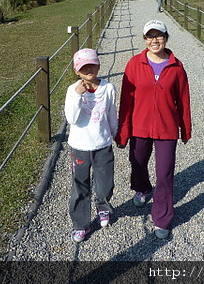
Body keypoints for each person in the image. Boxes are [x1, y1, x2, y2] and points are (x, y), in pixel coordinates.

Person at [116, 20, 192, 239]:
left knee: (165, 173)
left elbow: (183, 100)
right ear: (144, 40)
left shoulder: (177, 67)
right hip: (139, 126)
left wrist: (185, 129)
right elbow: (126, 101)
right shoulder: (134, 64)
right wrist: (123, 130)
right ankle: (142, 188)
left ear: (166, 38)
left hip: (167, 128)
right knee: (137, 163)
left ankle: (162, 217)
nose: (154, 40)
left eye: (158, 36)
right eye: (150, 36)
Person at [65, 48, 118, 242]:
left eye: (92, 65)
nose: (89, 69)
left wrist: (115, 132)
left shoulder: (108, 88)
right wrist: (78, 96)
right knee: (80, 185)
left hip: (102, 144)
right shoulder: (72, 90)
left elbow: (111, 113)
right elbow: (71, 118)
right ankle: (80, 223)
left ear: (98, 65)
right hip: (80, 146)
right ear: (76, 70)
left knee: (105, 183)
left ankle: (103, 207)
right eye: (83, 67)